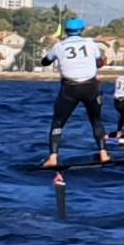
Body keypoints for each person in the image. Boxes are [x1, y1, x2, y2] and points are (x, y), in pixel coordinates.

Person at [41, 18, 110, 168]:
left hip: (70, 88)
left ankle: (53, 158)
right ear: (82, 30)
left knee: (58, 122)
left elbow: (45, 62)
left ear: (66, 31)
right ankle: (104, 154)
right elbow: (99, 61)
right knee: (96, 120)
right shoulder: (91, 44)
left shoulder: (59, 46)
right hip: (91, 87)